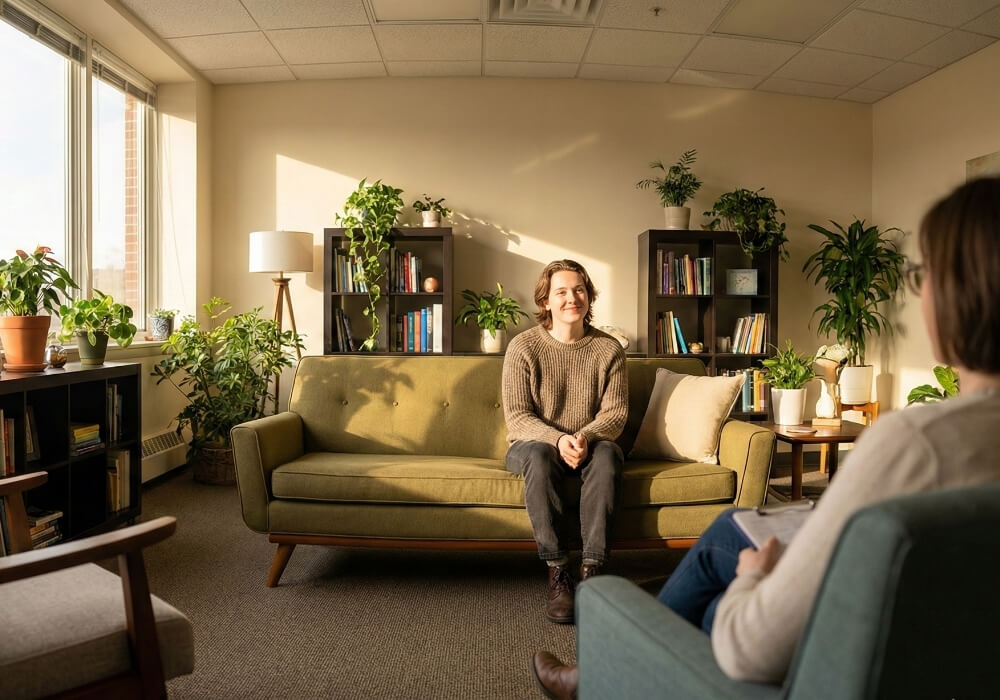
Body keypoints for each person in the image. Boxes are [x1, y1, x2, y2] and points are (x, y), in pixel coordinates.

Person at [531, 177, 1000, 698]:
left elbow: (749, 645)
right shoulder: (936, 444)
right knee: (734, 524)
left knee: (722, 581)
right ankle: (632, 594)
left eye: (922, 275)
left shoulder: (914, 444)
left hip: (810, 667)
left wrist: (754, 577)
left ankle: (608, 653)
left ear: (959, 294)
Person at [503, 259, 628, 624]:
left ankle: (592, 571)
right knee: (540, 457)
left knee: (609, 454)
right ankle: (558, 571)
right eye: (561, 292)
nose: (572, 298)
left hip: (589, 444)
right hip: (532, 445)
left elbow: (616, 414)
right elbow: (518, 417)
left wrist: (586, 437)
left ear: (589, 297)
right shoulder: (523, 347)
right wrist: (558, 439)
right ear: (545, 301)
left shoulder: (609, 350)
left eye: (579, 290)